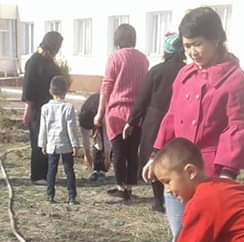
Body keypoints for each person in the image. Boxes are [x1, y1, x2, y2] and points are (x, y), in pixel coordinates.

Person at [142, 7, 244, 242]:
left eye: (198, 44)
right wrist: (156, 157)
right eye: (187, 45)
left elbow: (237, 128)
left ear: (217, 39)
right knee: (182, 239)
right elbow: (171, 117)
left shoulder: (235, 81)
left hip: (209, 174)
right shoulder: (184, 76)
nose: (192, 51)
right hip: (178, 172)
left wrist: (227, 174)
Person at [125, 33, 185, 213]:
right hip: (180, 121)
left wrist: (131, 121)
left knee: (155, 159)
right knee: (177, 159)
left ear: (165, 50)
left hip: (155, 120)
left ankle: (158, 200)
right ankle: (176, 195)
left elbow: (142, 99)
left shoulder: (156, 71)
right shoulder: (187, 71)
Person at [94, 24, 148, 200]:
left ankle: (120, 186)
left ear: (117, 40)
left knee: (118, 151)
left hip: (117, 111)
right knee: (132, 151)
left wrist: (100, 113)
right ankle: (130, 187)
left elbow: (106, 86)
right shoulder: (143, 59)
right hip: (137, 113)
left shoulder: (115, 57)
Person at [22, 31, 63, 185]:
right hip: (37, 109)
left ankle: (47, 173)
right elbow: (28, 87)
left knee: (49, 141)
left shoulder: (50, 62)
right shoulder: (34, 62)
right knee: (38, 140)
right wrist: (28, 110)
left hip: (51, 107)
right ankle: (37, 175)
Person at [39, 76, 82, 204]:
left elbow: (43, 128)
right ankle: (72, 196)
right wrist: (75, 144)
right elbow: (71, 128)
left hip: (52, 144)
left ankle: (50, 195)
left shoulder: (45, 108)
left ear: (50, 91)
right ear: (65, 91)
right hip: (66, 145)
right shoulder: (68, 108)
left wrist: (42, 144)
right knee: (69, 170)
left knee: (51, 170)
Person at [78, 92, 110, 182]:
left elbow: (107, 137)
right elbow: (85, 140)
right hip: (93, 112)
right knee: (97, 143)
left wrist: (107, 157)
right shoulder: (83, 118)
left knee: (102, 142)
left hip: (104, 111)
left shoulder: (102, 116)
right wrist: (87, 154)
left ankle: (102, 170)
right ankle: (96, 169)